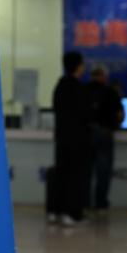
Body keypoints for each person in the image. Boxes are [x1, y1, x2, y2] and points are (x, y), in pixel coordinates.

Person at [51, 51, 92, 226]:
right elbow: (86, 114)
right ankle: (72, 213)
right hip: (77, 140)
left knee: (61, 174)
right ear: (78, 66)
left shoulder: (60, 87)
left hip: (62, 138)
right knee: (75, 176)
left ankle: (56, 211)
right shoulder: (79, 89)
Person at [87, 66, 124, 212]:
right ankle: (100, 202)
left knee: (86, 171)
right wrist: (116, 125)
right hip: (104, 133)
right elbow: (120, 114)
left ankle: (84, 202)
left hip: (86, 133)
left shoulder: (83, 90)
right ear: (103, 76)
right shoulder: (110, 92)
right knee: (103, 170)